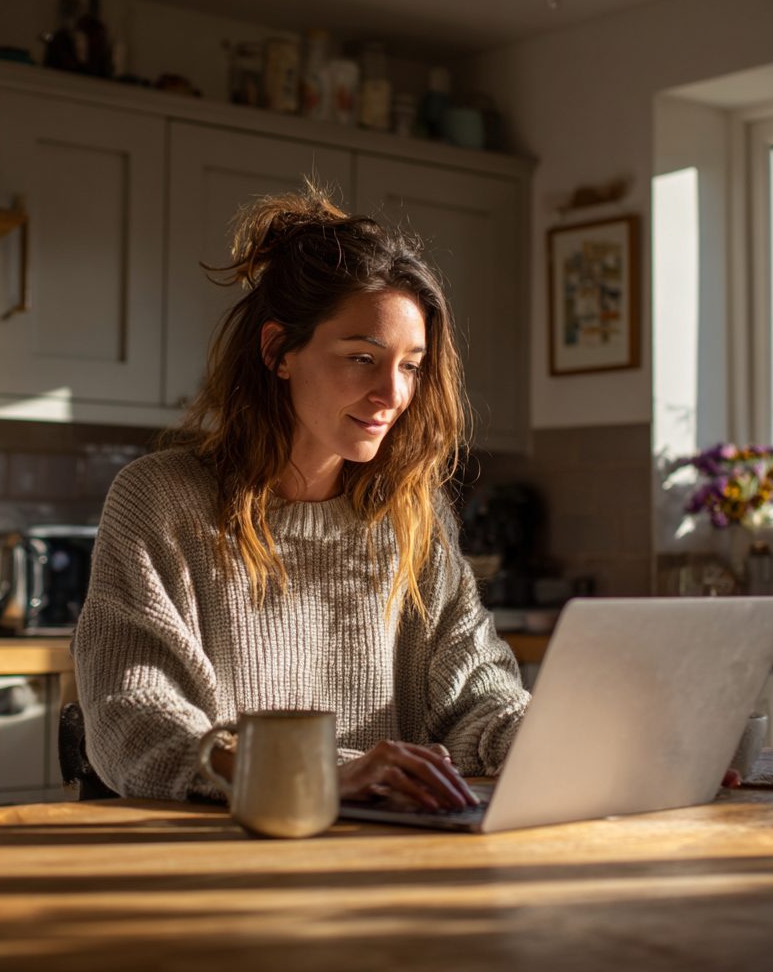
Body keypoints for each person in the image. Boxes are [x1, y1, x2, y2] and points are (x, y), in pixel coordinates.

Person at [72, 183, 532, 814]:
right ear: (277, 351)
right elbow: (134, 720)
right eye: (363, 358)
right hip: (227, 859)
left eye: (411, 366)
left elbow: (477, 695)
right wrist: (311, 774)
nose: (394, 394)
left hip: (393, 861)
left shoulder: (414, 516)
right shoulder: (160, 500)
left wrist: (558, 743)